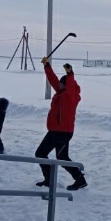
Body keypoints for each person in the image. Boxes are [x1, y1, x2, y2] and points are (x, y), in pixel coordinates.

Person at [35, 60, 87, 191]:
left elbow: (70, 84)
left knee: (61, 157)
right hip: (54, 131)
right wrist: (47, 66)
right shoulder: (61, 92)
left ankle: (80, 180)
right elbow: (53, 80)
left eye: (62, 83)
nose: (59, 84)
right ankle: (49, 180)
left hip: (63, 132)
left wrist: (70, 73)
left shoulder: (71, 95)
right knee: (41, 154)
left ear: (67, 85)